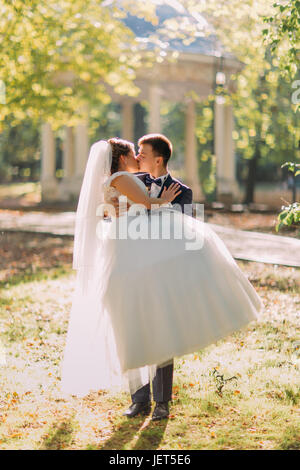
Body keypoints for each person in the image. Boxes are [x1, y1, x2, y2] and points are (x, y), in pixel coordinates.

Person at [60, 137, 263, 423]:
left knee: (161, 324)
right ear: (123, 158)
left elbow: (181, 229)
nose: (139, 157)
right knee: (130, 325)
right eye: (135, 153)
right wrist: (116, 207)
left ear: (159, 159)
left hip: (159, 265)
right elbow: (117, 201)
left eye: (143, 154)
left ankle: (162, 402)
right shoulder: (128, 178)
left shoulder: (181, 190)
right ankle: (138, 399)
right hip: (126, 260)